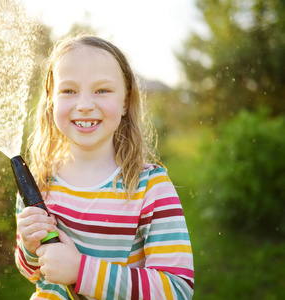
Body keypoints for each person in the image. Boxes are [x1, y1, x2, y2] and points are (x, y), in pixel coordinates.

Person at [15, 34, 194, 300]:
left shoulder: (150, 188)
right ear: (51, 100)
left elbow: (176, 289)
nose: (85, 105)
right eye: (68, 91)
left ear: (125, 101)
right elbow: (33, 271)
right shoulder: (38, 183)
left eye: (102, 90)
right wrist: (29, 247)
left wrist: (80, 271)